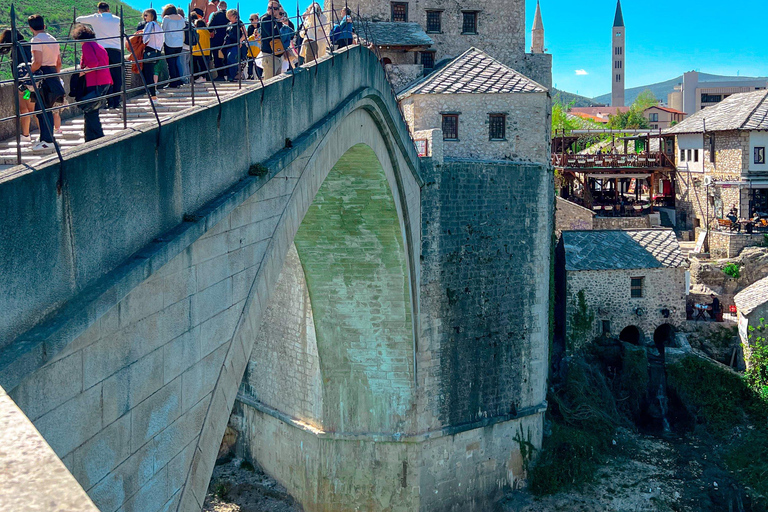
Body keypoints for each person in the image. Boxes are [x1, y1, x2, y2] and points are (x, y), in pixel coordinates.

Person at [76, 2, 122, 109]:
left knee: (107, 76)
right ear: (108, 9)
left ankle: (109, 102)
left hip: (102, 50)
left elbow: (78, 19)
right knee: (117, 77)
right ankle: (117, 101)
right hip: (116, 50)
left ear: (99, 10)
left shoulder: (96, 18)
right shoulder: (117, 19)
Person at [71, 24, 112, 141]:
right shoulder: (98, 46)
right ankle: (90, 137)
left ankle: (98, 137)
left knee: (90, 111)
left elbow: (93, 64)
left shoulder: (87, 46)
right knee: (91, 110)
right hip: (105, 81)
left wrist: (82, 73)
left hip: (95, 82)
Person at [27, 14, 61, 152]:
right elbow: (58, 62)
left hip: (43, 75)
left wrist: (29, 71)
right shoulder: (53, 39)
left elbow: (37, 62)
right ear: (44, 26)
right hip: (53, 75)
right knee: (46, 108)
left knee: (42, 109)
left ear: (30, 28)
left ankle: (47, 140)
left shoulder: (36, 40)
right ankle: (46, 139)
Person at [0, 29, 34, 143]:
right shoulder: (26, 45)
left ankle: (45, 136)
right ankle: (26, 135)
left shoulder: (18, 49)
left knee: (30, 109)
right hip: (28, 85)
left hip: (25, 86)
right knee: (25, 109)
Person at [161, 5, 185, 88]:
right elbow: (183, 27)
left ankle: (173, 82)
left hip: (169, 43)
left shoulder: (167, 18)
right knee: (176, 62)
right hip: (179, 44)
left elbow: (163, 29)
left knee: (170, 63)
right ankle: (178, 80)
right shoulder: (181, 17)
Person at [141, 9, 163, 100]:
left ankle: (153, 96)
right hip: (157, 51)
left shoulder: (150, 24)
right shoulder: (158, 26)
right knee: (151, 73)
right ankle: (153, 95)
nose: (145, 17)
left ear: (152, 16)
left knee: (147, 74)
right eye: (144, 15)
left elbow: (145, 38)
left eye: (147, 15)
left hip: (149, 50)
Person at [259, 1, 283, 79]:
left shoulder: (276, 19)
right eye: (270, 8)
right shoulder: (265, 19)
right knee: (269, 80)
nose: (272, 10)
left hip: (278, 53)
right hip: (269, 53)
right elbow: (272, 34)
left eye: (275, 8)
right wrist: (279, 22)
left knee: (277, 80)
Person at [223, 9, 245, 81]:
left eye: (230, 16)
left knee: (232, 58)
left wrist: (240, 41)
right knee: (227, 60)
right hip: (228, 44)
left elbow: (245, 33)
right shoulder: (228, 24)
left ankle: (234, 75)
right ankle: (230, 76)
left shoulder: (239, 23)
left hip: (236, 44)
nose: (229, 17)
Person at [208, 1, 228, 78]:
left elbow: (210, 27)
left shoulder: (216, 14)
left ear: (219, 7)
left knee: (217, 57)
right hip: (228, 39)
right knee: (226, 56)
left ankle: (220, 75)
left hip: (218, 38)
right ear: (226, 7)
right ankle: (228, 74)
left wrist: (212, 31)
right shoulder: (230, 15)